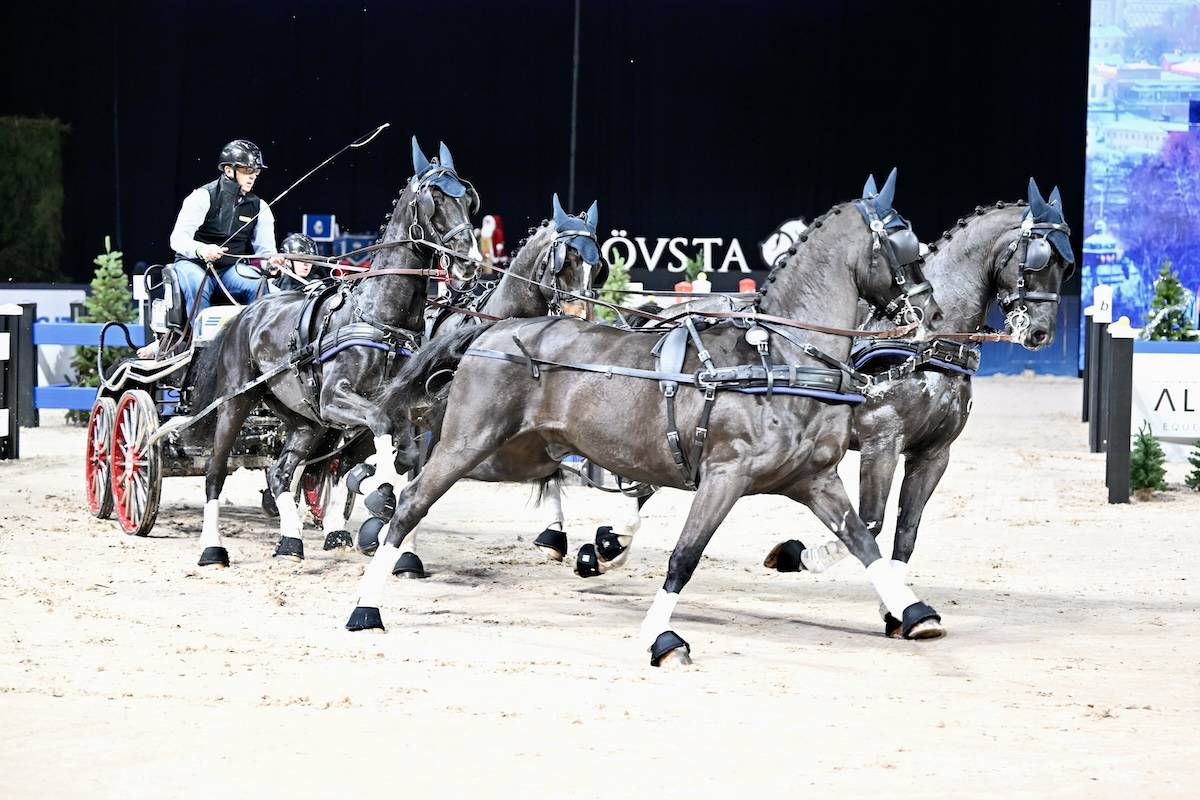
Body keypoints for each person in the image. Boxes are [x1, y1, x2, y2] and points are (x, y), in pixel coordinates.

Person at [137, 139, 286, 358]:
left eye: (256, 171)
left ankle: (260, 347)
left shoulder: (260, 207)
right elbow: (177, 239)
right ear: (229, 170)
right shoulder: (202, 197)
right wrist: (202, 250)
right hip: (193, 264)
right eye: (247, 170)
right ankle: (202, 350)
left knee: (259, 285)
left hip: (229, 269)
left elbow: (265, 252)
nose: (253, 175)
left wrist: (272, 263)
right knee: (199, 284)